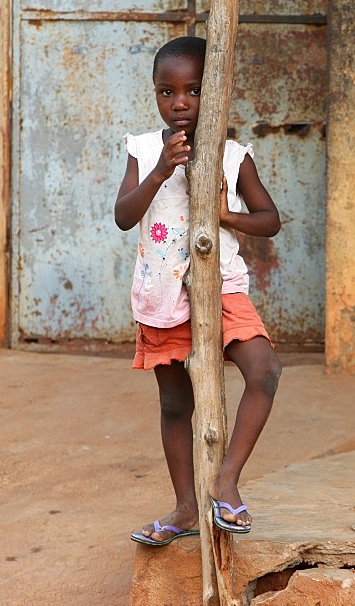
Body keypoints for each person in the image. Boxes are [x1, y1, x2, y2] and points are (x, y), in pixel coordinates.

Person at [115, 36, 282, 545]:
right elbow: (124, 216)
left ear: (217, 92)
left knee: (265, 371)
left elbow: (269, 220)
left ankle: (225, 480)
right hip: (162, 294)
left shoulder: (233, 157)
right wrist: (163, 169)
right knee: (174, 406)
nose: (180, 102)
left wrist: (221, 213)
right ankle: (186, 506)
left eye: (194, 90)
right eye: (167, 91)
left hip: (222, 287)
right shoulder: (145, 150)